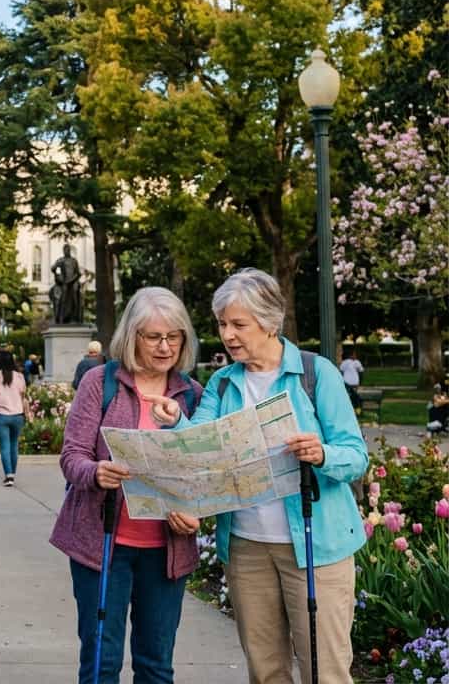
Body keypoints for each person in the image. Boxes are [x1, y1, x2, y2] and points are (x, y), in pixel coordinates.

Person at [150, 269, 367, 684]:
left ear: (269, 322)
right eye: (222, 324)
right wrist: (177, 421)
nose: (227, 334)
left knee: (326, 673)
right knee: (266, 673)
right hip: (248, 547)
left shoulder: (315, 374)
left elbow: (356, 457)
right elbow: (203, 445)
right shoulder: (223, 382)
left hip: (315, 546)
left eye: (238, 324)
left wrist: (321, 453)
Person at [51, 287, 204, 683]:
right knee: (101, 661)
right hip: (104, 546)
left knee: (156, 665)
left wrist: (197, 511)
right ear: (132, 336)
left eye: (174, 337)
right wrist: (96, 472)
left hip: (166, 550)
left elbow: (205, 470)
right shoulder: (100, 383)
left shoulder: (192, 394)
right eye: (154, 336)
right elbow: (72, 457)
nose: (165, 346)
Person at [0, 349, 28, 486]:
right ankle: (13, 473)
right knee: (14, 445)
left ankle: (8, 475)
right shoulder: (19, 377)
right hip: (17, 415)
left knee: (5, 445)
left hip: (1, 416)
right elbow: (23, 395)